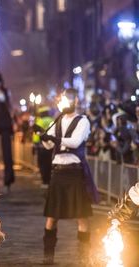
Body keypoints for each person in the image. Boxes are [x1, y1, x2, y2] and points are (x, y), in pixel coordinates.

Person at [40, 88, 99, 265]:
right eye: (64, 99)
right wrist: (43, 136)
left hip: (74, 173)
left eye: (69, 99)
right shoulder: (57, 120)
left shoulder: (83, 121)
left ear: (75, 102)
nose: (65, 102)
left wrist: (55, 139)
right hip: (58, 172)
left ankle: (84, 258)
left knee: (81, 216)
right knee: (52, 217)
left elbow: (74, 142)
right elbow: (49, 146)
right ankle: (48, 257)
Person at [33, 106, 54, 188]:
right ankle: (49, 180)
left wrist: (35, 144)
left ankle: (44, 181)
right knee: (49, 164)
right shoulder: (52, 120)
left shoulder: (40, 121)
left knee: (42, 164)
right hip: (51, 146)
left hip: (41, 147)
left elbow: (36, 135)